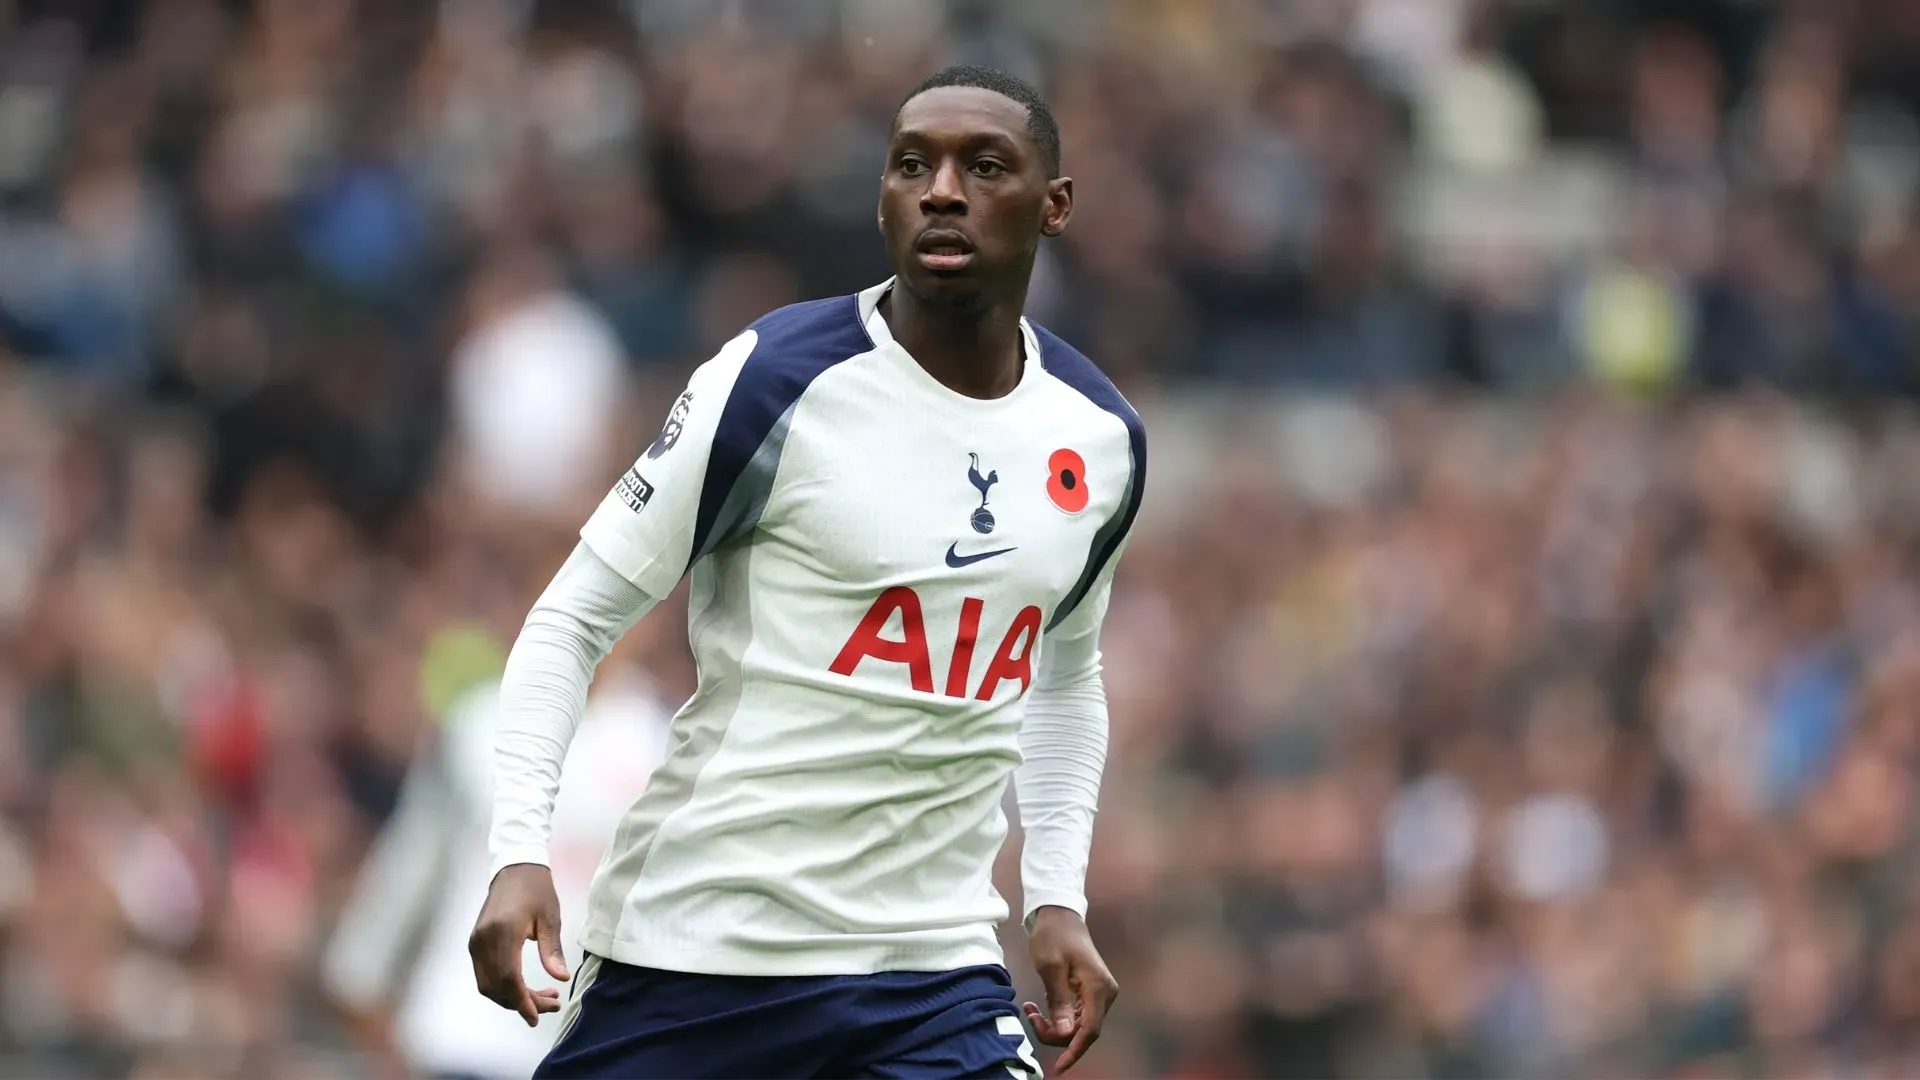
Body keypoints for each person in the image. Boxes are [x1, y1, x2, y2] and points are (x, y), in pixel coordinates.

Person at [467, 64, 1146, 1079]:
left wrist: (1056, 896)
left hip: (933, 976)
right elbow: (573, 620)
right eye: (912, 165)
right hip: (699, 956)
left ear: (1054, 207)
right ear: (882, 200)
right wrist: (518, 848)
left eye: (984, 166)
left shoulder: (1098, 442)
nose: (943, 190)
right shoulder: (775, 380)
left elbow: (1065, 675)